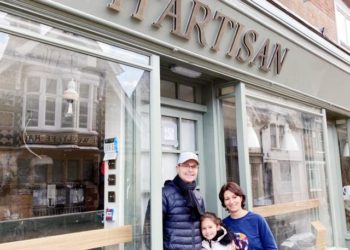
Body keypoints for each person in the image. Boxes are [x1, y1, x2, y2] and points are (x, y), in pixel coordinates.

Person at [144, 152, 205, 250]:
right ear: (177, 168)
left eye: (194, 166)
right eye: (186, 166)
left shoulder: (197, 196)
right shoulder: (163, 195)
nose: (190, 170)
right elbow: (149, 232)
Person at [218, 182, 277, 250]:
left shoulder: (257, 220)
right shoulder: (223, 225)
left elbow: (271, 248)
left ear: (241, 198)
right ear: (224, 203)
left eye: (234, 197)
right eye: (227, 199)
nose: (231, 201)